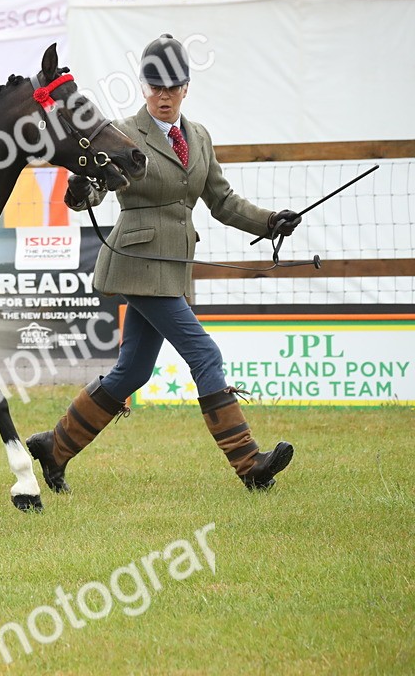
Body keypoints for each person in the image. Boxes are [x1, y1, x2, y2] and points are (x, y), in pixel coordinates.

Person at [26, 34, 302, 493]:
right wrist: (80, 192)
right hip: (136, 261)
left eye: (173, 87)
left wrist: (269, 222)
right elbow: (95, 188)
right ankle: (250, 463)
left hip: (173, 267)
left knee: (133, 371)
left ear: (186, 88)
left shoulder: (200, 137)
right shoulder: (121, 132)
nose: (164, 95)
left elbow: (222, 200)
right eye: (156, 86)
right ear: (144, 87)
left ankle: (54, 447)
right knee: (204, 353)